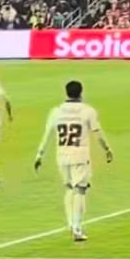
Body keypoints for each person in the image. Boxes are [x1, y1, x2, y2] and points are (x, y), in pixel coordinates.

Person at [34, 79, 113, 244]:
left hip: (62, 156)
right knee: (80, 190)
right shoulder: (87, 111)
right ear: (81, 93)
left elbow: (47, 134)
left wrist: (39, 155)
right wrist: (107, 149)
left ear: (66, 93)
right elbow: (97, 133)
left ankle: (70, 222)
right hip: (80, 155)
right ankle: (77, 228)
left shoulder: (56, 111)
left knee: (69, 188)